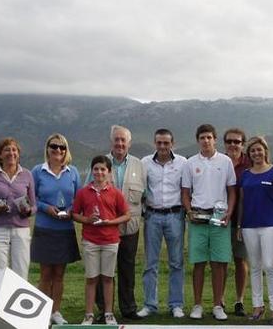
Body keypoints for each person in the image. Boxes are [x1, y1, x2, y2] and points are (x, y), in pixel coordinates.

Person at [88, 125, 147, 320]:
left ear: (129, 143)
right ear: (111, 142)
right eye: (117, 140)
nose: (120, 143)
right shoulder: (101, 163)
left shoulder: (139, 165)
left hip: (130, 226)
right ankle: (104, 311)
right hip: (104, 229)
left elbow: (146, 194)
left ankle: (128, 308)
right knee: (103, 271)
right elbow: (88, 190)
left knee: (127, 268)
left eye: (123, 140)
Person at [181, 124, 237, 321]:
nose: (206, 141)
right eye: (202, 137)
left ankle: (217, 305)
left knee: (219, 264)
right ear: (198, 140)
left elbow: (231, 190)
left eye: (209, 137)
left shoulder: (225, 161)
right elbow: (186, 192)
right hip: (198, 218)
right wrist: (188, 211)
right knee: (198, 263)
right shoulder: (190, 163)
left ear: (214, 139)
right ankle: (197, 305)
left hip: (219, 218)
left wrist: (229, 213)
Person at [72, 156, 131, 326]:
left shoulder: (115, 193)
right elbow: (75, 214)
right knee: (91, 278)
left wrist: (110, 222)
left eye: (103, 169)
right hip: (90, 240)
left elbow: (126, 215)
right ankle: (89, 314)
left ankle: (109, 313)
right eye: (96, 169)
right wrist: (87, 220)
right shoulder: (84, 192)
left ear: (109, 172)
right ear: (92, 171)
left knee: (107, 277)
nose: (99, 172)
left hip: (110, 240)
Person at [30, 133, 82, 325]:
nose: (58, 150)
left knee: (59, 274)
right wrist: (45, 208)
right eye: (54, 146)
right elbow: (32, 198)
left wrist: (71, 209)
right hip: (45, 227)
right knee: (45, 274)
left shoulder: (73, 172)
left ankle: (56, 311)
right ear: (48, 148)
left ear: (66, 150)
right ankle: (41, 312)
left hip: (65, 228)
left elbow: (79, 198)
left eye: (62, 147)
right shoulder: (38, 171)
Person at [137, 129, 188, 319]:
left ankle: (176, 304)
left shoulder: (183, 163)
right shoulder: (145, 163)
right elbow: (140, 189)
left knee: (176, 262)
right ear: (154, 143)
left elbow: (186, 189)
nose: (163, 147)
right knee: (150, 263)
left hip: (175, 215)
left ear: (172, 143)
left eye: (166, 143)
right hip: (152, 216)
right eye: (159, 143)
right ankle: (150, 304)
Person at [237, 136, 273, 325]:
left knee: (269, 266)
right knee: (255, 267)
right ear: (249, 154)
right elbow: (242, 201)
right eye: (253, 151)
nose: (257, 153)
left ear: (265, 151)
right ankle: (258, 307)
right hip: (249, 226)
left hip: (270, 225)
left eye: (259, 150)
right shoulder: (246, 175)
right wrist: (240, 225)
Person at [0, 137, 36, 280]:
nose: (11, 153)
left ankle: (18, 302)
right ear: (0, 155)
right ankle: (1, 302)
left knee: (22, 272)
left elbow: (34, 205)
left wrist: (28, 211)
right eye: (7, 150)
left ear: (18, 154)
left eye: (14, 150)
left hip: (21, 229)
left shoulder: (27, 174)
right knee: (0, 274)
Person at [222, 127, 251, 316]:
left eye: (237, 142)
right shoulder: (218, 161)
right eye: (230, 141)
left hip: (243, 221)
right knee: (221, 261)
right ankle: (220, 300)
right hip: (220, 220)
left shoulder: (250, 162)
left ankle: (239, 301)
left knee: (241, 260)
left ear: (243, 144)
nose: (233, 145)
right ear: (224, 143)